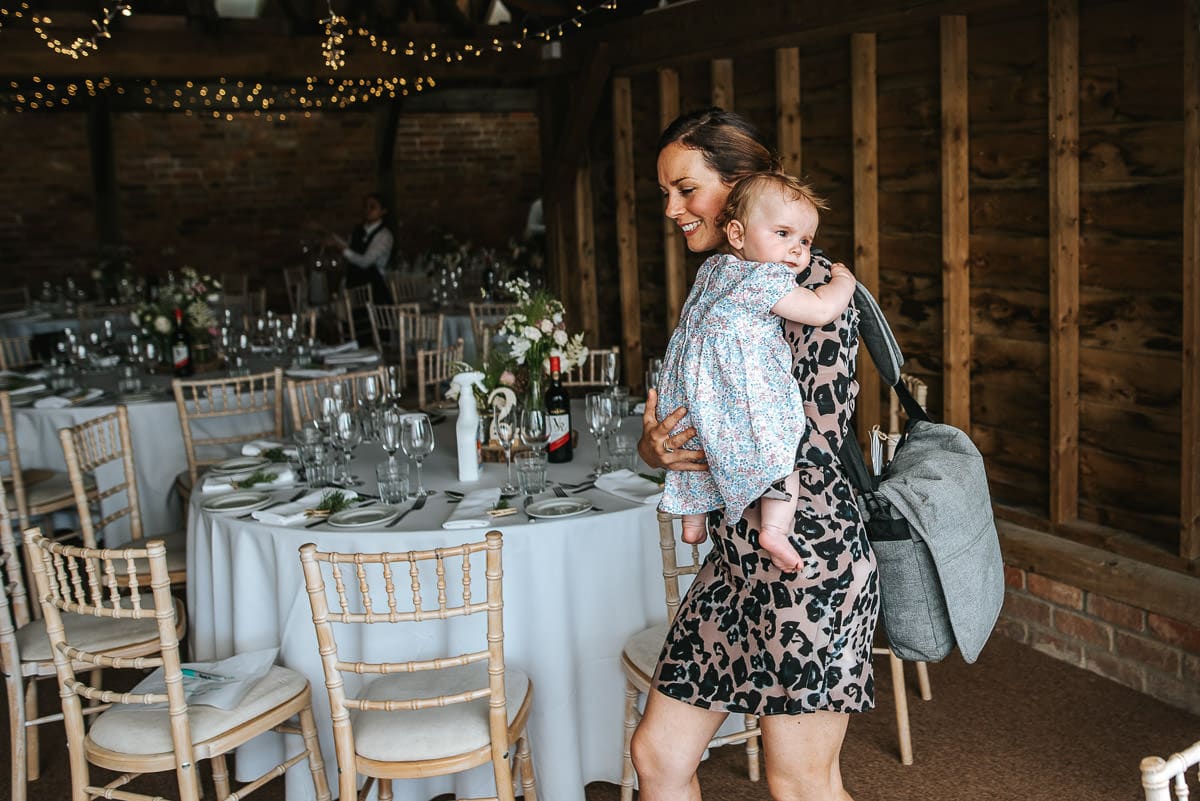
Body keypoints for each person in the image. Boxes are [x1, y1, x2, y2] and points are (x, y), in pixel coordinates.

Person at [631, 107, 877, 801]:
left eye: (687, 189)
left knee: (798, 784)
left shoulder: (802, 285)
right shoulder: (720, 281)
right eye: (666, 194)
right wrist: (656, 448)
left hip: (806, 560)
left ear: (740, 188)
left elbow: (811, 441)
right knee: (657, 756)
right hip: (735, 562)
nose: (673, 209)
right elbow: (693, 410)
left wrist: (702, 443)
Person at [656, 171, 856, 573]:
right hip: (739, 390)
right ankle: (775, 529)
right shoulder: (766, 277)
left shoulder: (714, 270)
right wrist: (844, 282)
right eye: (782, 234)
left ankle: (692, 521)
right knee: (781, 448)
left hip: (689, 387)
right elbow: (820, 309)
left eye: (805, 241)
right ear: (737, 233)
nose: (796, 250)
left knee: (694, 445)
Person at [325, 192, 395, 306]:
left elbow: (364, 262)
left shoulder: (384, 235)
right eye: (365, 206)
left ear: (383, 211)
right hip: (354, 285)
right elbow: (350, 249)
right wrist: (330, 236)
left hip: (373, 290)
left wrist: (338, 246)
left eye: (372, 207)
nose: (367, 210)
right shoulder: (359, 230)